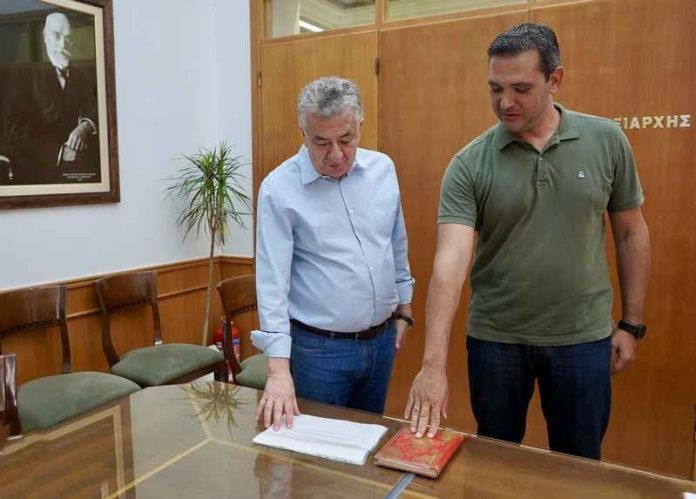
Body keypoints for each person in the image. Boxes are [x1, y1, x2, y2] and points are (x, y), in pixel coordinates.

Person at [404, 23, 650, 460]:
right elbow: (450, 261)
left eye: (520, 88)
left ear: (555, 79)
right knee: (496, 463)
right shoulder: (469, 163)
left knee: (579, 465)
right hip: (496, 342)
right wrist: (432, 366)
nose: (505, 102)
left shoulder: (606, 141)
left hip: (582, 340)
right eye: (495, 88)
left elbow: (631, 231)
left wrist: (631, 324)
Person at [253, 76, 415, 430]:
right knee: (317, 452)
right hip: (319, 352)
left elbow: (395, 242)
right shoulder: (279, 189)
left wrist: (404, 307)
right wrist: (278, 371)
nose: (337, 155)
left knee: (367, 441)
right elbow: (271, 284)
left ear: (360, 126)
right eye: (321, 143)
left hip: (382, 342)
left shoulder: (383, 170)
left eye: (346, 139)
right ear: (303, 134)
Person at [0, 11, 98, 185]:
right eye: (56, 35)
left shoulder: (79, 76)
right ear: (45, 37)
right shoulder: (25, 77)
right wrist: (59, 152)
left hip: (76, 166)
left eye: (68, 37)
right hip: (37, 169)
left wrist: (86, 126)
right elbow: (13, 130)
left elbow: (98, 107)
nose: (63, 44)